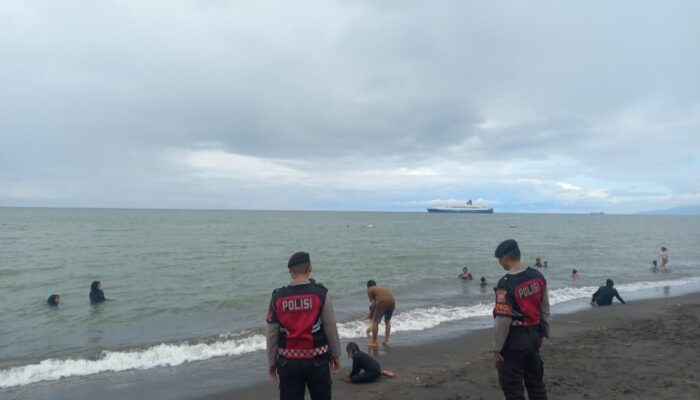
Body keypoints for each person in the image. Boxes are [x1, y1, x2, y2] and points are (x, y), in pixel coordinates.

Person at [266, 251, 341, 400]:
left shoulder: (277, 297)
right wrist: (336, 355)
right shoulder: (321, 294)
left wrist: (271, 362)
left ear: (290, 271)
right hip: (317, 361)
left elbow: (272, 333)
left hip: (288, 363)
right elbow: (330, 327)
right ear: (310, 268)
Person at [492, 239, 549, 400]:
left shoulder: (505, 284)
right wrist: (542, 333)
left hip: (514, 339)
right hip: (534, 334)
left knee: (512, 388)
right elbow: (545, 309)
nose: (500, 263)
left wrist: (497, 346)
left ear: (504, 258)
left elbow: (503, 319)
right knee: (536, 384)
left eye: (499, 260)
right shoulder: (538, 276)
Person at [366, 280, 395, 347]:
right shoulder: (380, 288)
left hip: (383, 303)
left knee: (375, 322)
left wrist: (370, 315)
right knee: (387, 321)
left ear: (368, 286)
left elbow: (373, 304)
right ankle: (386, 341)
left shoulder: (370, 289)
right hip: (392, 302)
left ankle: (374, 342)